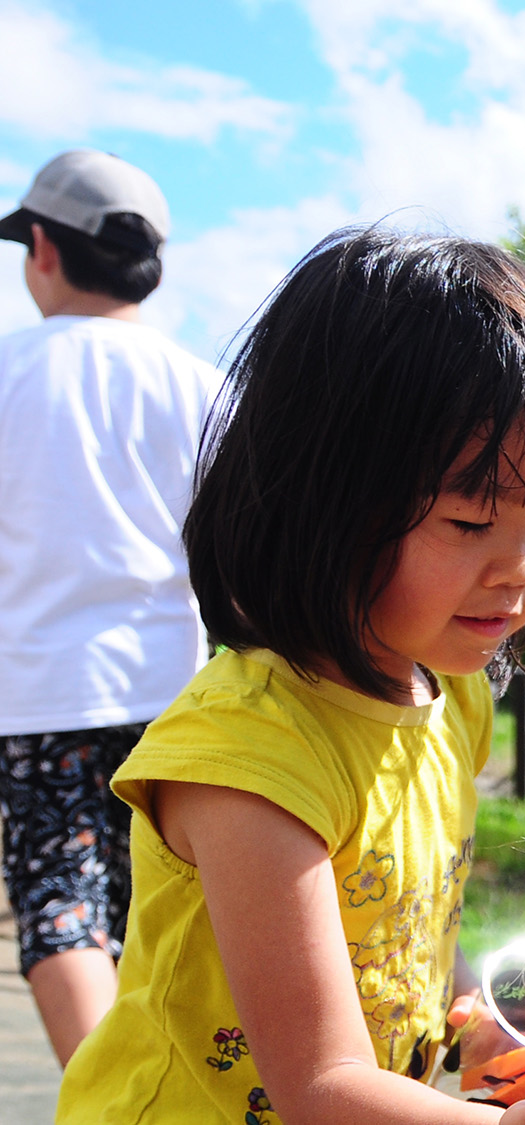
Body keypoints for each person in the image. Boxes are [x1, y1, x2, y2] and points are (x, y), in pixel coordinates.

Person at [55, 228, 525, 1125]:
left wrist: (474, 1015)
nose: (520, 568)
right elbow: (320, 1084)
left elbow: (412, 925)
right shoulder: (248, 751)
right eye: (471, 522)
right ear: (325, 500)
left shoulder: (452, 691)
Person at [0, 149, 222, 1066]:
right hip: (171, 691)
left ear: (43, 247)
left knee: (62, 906)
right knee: (163, 910)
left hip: (38, 691)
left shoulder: (11, 371)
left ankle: (105, 1100)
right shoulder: (200, 385)